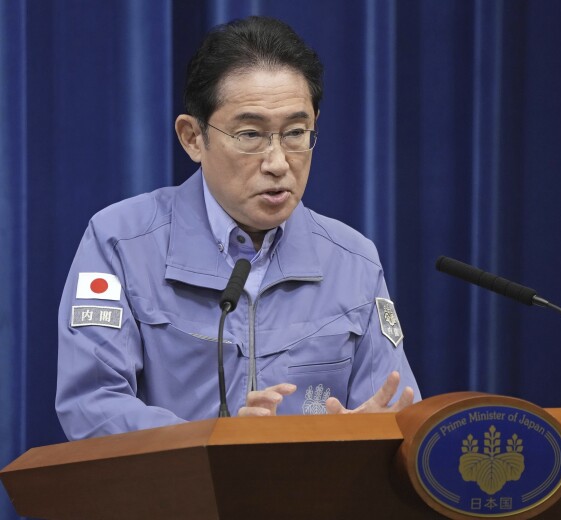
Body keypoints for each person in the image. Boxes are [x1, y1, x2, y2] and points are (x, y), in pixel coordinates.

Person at [56, 16, 421, 441]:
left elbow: (395, 410)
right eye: (250, 134)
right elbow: (92, 407)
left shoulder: (352, 259)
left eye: (296, 133)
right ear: (193, 137)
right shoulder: (121, 242)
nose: (278, 162)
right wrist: (216, 442)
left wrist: (372, 438)